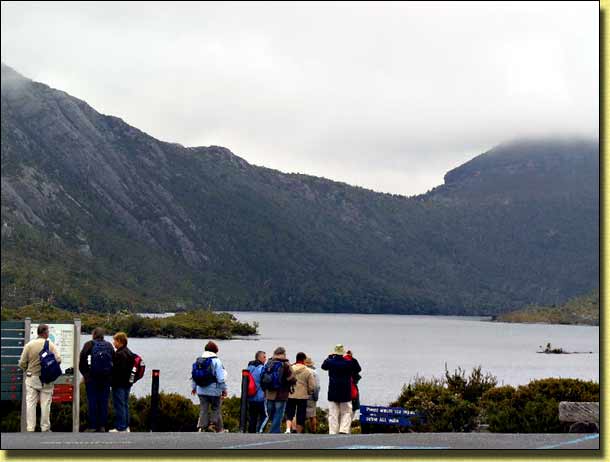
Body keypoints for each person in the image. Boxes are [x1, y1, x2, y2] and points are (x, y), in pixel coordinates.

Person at [18, 324, 62, 432]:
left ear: (38, 332)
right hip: (46, 379)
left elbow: (22, 363)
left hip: (31, 377)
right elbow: (59, 359)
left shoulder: (29, 345)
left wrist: (28, 369)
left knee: (31, 402)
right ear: (45, 333)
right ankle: (45, 428)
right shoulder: (50, 345)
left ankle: (30, 428)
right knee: (45, 403)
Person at [79, 327, 115, 432]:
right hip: (106, 379)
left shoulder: (88, 344)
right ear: (103, 335)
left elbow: (82, 361)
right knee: (104, 402)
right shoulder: (109, 345)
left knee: (92, 401)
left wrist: (86, 375)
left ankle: (93, 426)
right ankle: (102, 426)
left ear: (94, 334)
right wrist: (110, 376)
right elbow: (114, 361)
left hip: (92, 379)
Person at [321, 344, 361, 434]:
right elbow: (358, 369)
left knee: (333, 413)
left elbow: (323, 366)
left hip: (333, 391)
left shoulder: (330, 362)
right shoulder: (348, 363)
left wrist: (329, 356)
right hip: (345, 391)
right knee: (346, 412)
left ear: (335, 352)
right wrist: (352, 358)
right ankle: (343, 429)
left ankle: (333, 431)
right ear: (343, 352)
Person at [191, 340, 227, 432]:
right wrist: (224, 389)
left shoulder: (199, 360)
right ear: (215, 350)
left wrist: (194, 388)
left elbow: (194, 376)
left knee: (203, 409)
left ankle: (202, 427)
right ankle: (212, 425)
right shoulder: (216, 361)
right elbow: (220, 378)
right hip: (214, 390)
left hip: (201, 390)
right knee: (216, 407)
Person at [262, 346, 296, 433]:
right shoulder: (286, 363)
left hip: (269, 392)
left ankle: (267, 428)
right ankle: (274, 430)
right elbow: (292, 377)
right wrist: (287, 382)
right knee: (279, 412)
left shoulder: (269, 362)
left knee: (269, 412)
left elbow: (263, 376)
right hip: (282, 393)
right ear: (283, 354)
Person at [285, 352, 316, 434]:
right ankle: (298, 432)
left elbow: (286, 380)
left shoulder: (290, 368)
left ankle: (288, 429)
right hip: (302, 396)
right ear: (304, 359)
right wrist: (309, 392)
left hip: (291, 394)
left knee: (290, 413)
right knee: (300, 415)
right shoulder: (307, 371)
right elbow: (312, 386)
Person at [109, 332, 133, 432]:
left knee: (119, 405)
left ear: (120, 341)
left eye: (115, 340)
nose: (113, 342)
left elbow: (116, 370)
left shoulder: (119, 354)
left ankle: (121, 427)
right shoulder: (129, 352)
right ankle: (126, 426)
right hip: (127, 383)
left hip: (119, 384)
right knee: (125, 404)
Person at [246, 350, 267, 433]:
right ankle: (260, 431)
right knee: (265, 416)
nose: (265, 359)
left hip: (250, 397)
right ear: (260, 358)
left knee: (252, 416)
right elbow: (265, 381)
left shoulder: (249, 368)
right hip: (260, 397)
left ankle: (251, 432)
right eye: (264, 357)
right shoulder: (261, 368)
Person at [304, 356, 321, 433]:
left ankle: (299, 431)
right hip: (311, 395)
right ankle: (313, 431)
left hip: (301, 394)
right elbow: (316, 386)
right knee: (312, 415)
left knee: (300, 414)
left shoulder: (301, 370)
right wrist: (316, 397)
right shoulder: (314, 372)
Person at [344, 349, 362, 417]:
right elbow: (359, 369)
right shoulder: (353, 360)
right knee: (354, 405)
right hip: (352, 386)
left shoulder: (342, 360)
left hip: (342, 386)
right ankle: (349, 422)